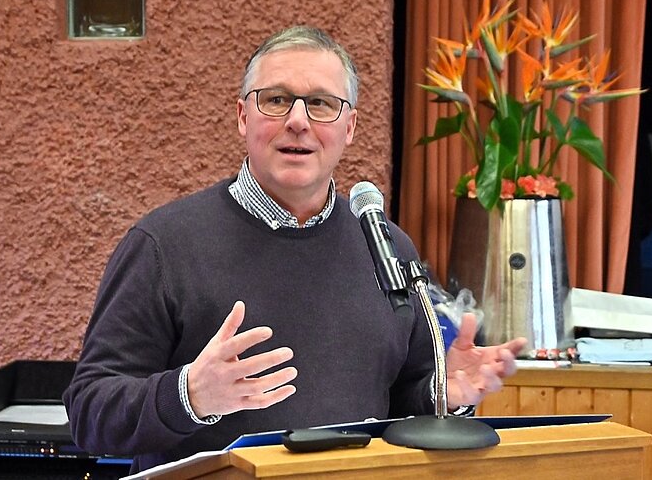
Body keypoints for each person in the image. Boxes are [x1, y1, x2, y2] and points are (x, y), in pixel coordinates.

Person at [63, 25, 525, 473]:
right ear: (242, 116)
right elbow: (89, 413)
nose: (298, 121)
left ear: (349, 127)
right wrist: (189, 396)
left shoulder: (386, 246)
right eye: (277, 100)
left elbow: (400, 402)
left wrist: (444, 395)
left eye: (321, 103)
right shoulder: (163, 246)